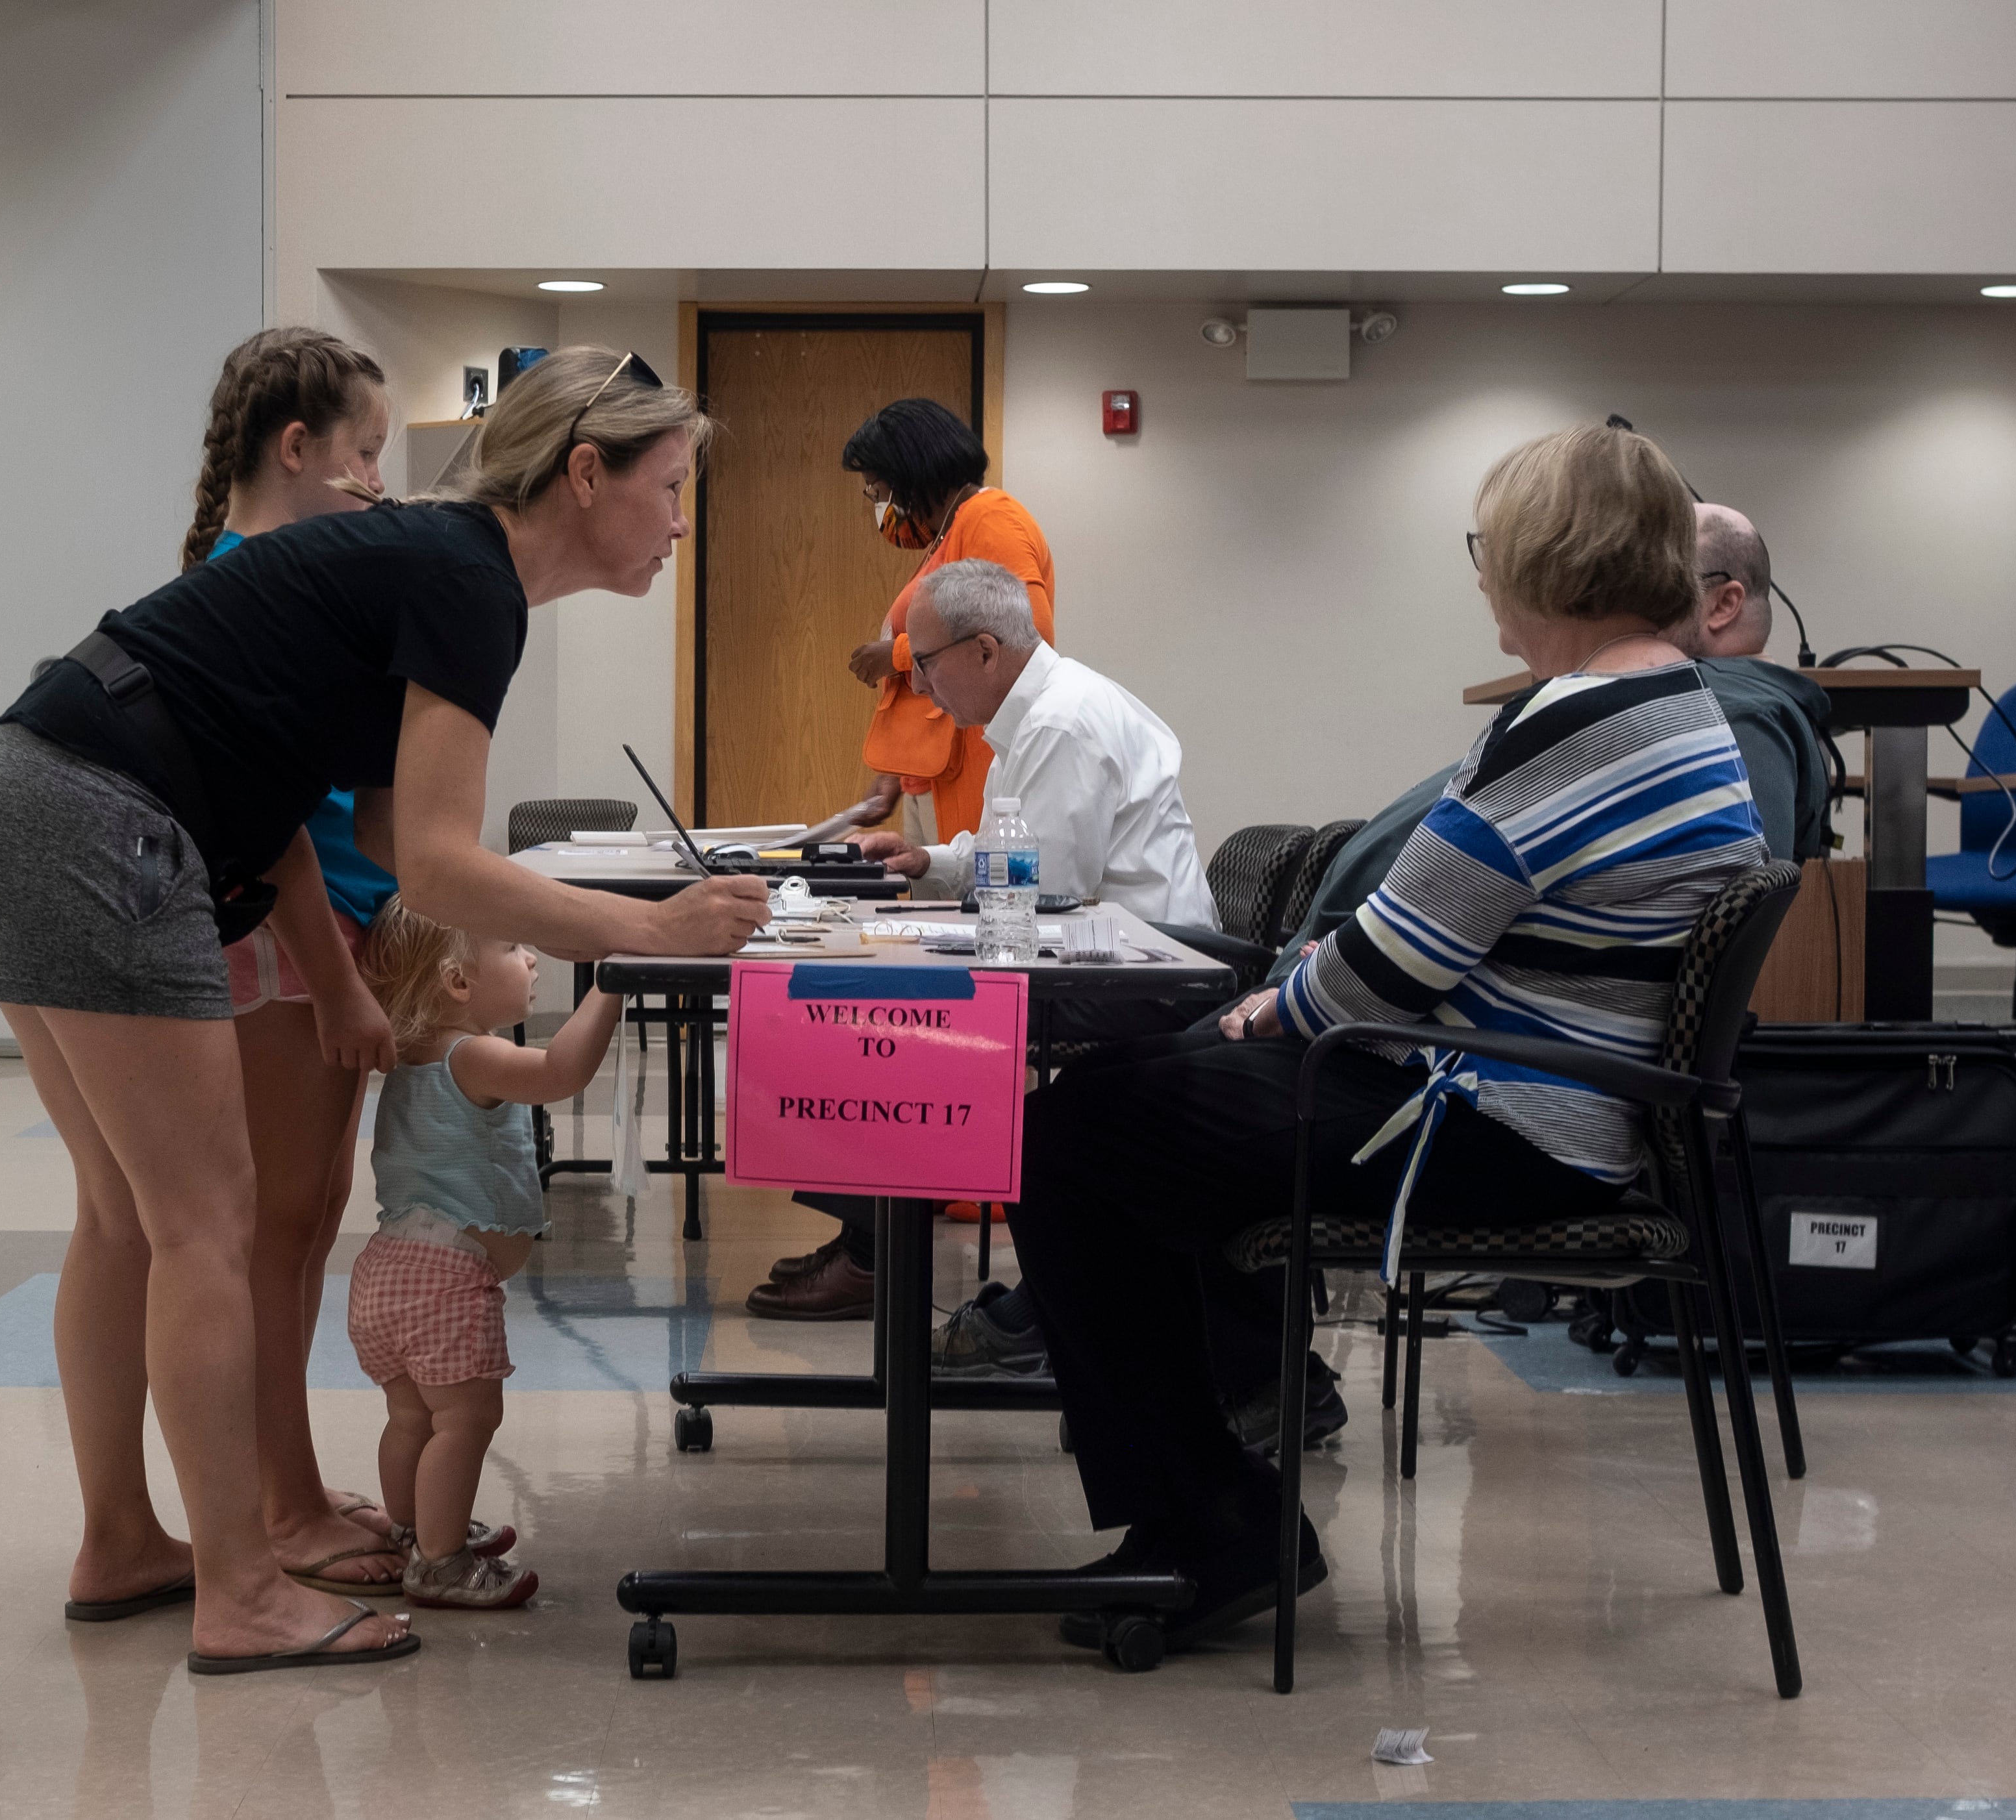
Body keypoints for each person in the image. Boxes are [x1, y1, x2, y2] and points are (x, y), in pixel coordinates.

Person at [0, 345, 769, 1673]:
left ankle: (124, 1543)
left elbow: (380, 822)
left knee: (127, 1216)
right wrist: (647, 929)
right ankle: (241, 1593)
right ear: (584, 471)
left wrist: (414, 958)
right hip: (101, 823)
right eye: (669, 489)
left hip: (23, 791)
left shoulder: (431, 562)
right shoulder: (467, 579)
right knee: (206, 1222)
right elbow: (437, 862)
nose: (678, 523)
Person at [1006, 423, 1769, 1653]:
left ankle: (1212, 1524)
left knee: (1064, 1135)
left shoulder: (1573, 722)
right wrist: (1310, 986)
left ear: (1544, 557)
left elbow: (1390, 965)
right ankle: (1210, 1496)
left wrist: (1282, 1000)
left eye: (1486, 546)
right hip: (1535, 1103)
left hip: (1506, 1128)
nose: (1480, 573)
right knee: (1133, 1096)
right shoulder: (1668, 702)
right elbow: (1424, 934)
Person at [749, 559, 1216, 1321]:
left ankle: (879, 1252)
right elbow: (1014, 857)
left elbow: (1041, 889)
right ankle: (873, 1242)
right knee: (884, 1007)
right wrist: (926, 861)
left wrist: (915, 930)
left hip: (1130, 978)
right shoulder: (1034, 716)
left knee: (901, 1023)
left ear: (985, 650)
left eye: (923, 663)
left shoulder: (1062, 723)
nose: (921, 688)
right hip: (1093, 958)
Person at [177, 328, 408, 1601]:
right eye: (364, 454)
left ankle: (295, 1486)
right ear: (296, 449)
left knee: (311, 1218)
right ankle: (277, 1503)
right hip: (280, 938)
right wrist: (339, 977)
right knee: (273, 1227)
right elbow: (273, 819)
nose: (377, 480)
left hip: (338, 925)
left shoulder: (310, 584)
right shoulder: (245, 588)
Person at [1277, 501, 1831, 974]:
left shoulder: (1730, 723)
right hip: (1359, 973)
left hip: (1415, 1025)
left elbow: (1671, 956)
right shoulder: (1677, 705)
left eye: (1654, 588)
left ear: (1723, 604)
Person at [346, 895, 625, 1611]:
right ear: (456, 983)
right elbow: (561, 1072)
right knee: (466, 1422)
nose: (530, 959)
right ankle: (439, 1562)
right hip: (446, 1276)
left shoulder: (412, 1060)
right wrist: (613, 983)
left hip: (385, 1269)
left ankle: (413, 1528)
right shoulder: (473, 1055)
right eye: (512, 948)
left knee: (411, 1419)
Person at [843, 400, 1056, 846]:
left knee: (964, 909)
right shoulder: (948, 531)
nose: (877, 504)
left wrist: (898, 655)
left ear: (909, 474)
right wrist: (894, 772)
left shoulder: (989, 517)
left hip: (975, 770)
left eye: (876, 488)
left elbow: (1024, 637)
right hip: (932, 774)